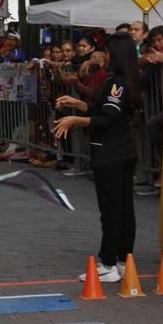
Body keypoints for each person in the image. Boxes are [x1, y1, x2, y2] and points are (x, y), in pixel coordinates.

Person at [53, 32, 141, 282]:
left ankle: (109, 262)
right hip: (122, 150)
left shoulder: (117, 83)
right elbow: (102, 110)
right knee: (124, 209)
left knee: (112, 210)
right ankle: (124, 259)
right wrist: (77, 104)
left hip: (111, 152)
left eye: (105, 51)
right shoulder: (126, 80)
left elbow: (107, 119)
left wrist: (74, 120)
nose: (101, 55)